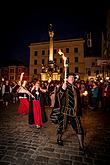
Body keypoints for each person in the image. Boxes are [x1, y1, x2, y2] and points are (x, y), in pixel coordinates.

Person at [55, 73, 84, 151]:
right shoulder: (64, 86)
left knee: (79, 128)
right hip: (65, 112)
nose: (72, 78)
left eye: (73, 77)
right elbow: (58, 97)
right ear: (66, 78)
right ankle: (59, 138)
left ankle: (81, 146)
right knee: (62, 127)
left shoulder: (75, 87)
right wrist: (62, 89)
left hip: (74, 112)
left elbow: (78, 101)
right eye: (70, 77)